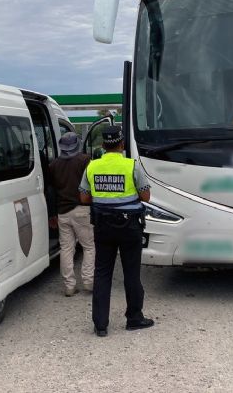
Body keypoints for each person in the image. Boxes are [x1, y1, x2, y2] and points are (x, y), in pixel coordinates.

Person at [79, 125, 154, 337]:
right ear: (121, 144)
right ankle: (134, 318)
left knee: (102, 273)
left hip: (103, 225)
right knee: (131, 272)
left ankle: (100, 324)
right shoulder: (131, 165)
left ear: (103, 145)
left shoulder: (92, 166)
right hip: (130, 226)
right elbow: (146, 196)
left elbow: (83, 197)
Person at [48, 132, 94, 297]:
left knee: (66, 249)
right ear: (77, 144)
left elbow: (50, 191)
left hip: (62, 212)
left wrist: (52, 214)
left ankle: (69, 286)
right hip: (82, 210)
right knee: (89, 247)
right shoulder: (85, 160)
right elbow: (91, 183)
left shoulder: (53, 165)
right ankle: (88, 282)